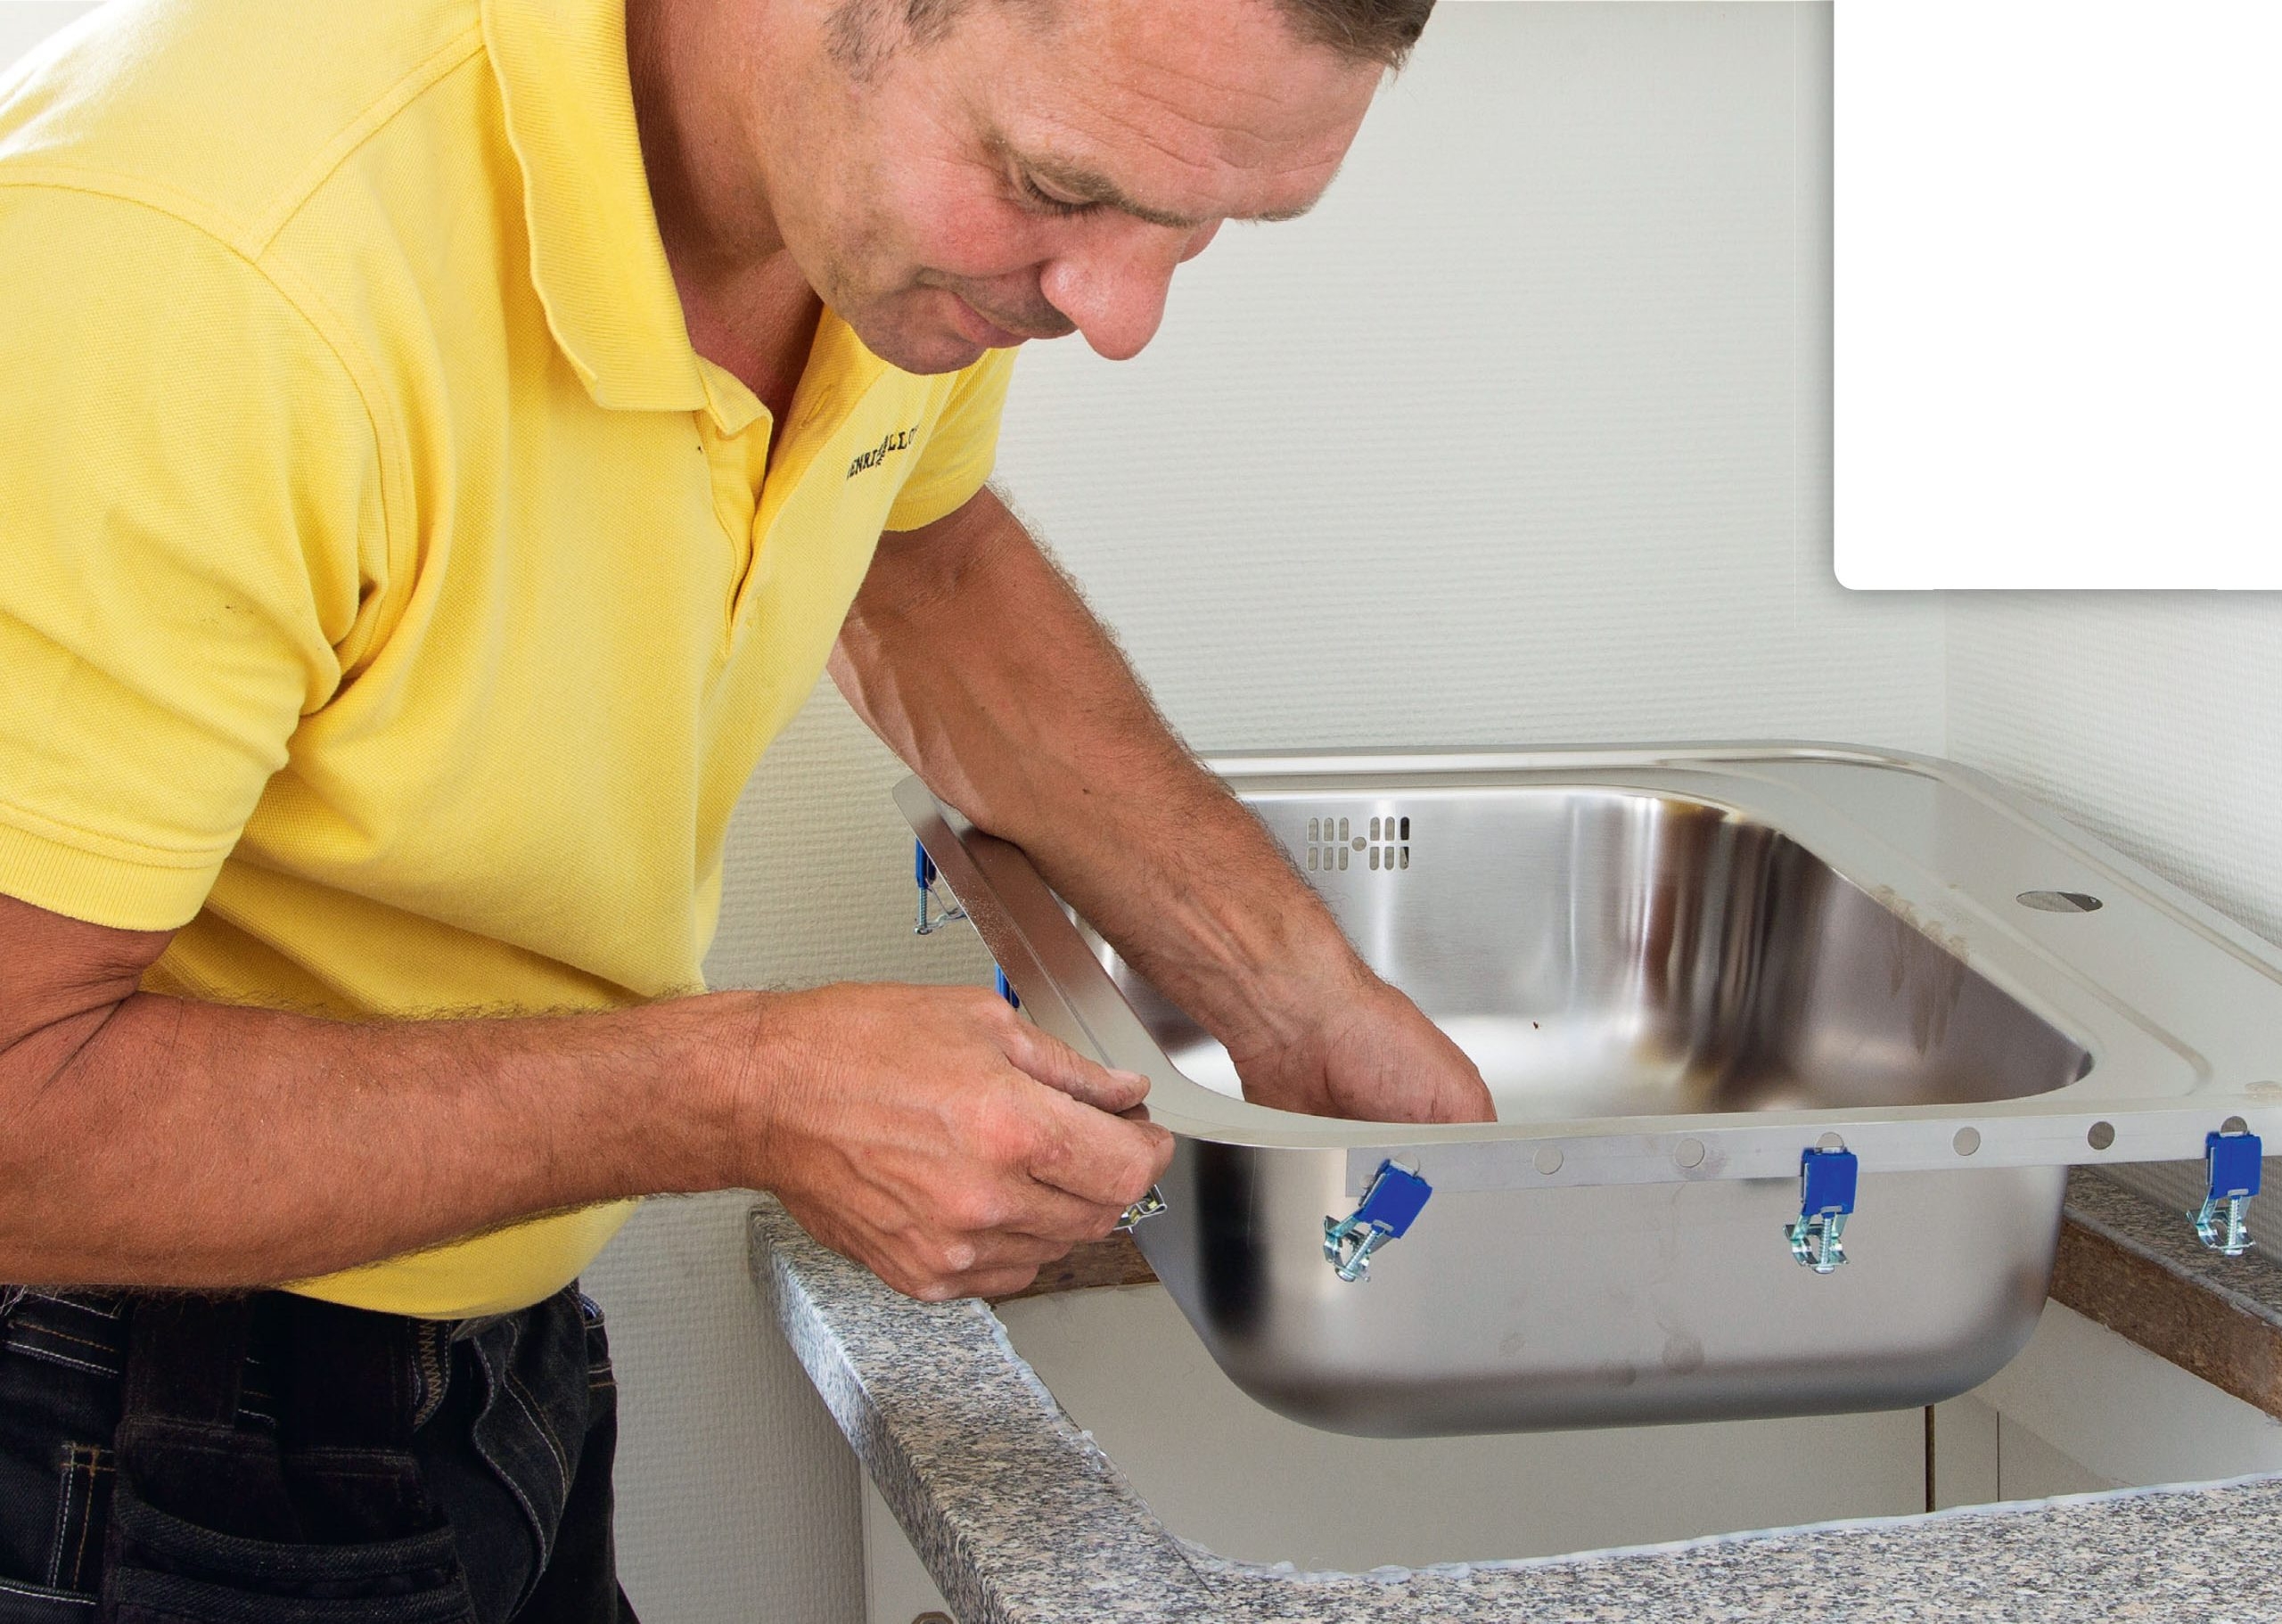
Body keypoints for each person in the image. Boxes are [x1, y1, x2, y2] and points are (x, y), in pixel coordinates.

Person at [0, 0, 1495, 1614]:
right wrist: (745, 1089)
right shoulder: (192, 264)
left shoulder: (868, 223)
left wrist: (1291, 994)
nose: (1121, 313)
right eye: (1061, 188)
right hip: (98, 1392)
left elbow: (919, 562)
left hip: (478, 1344)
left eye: (1202, 221)